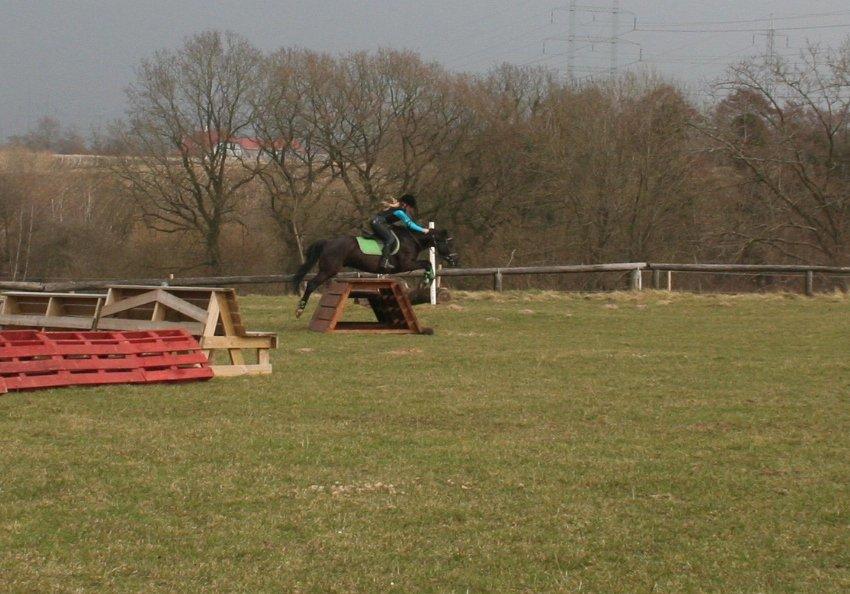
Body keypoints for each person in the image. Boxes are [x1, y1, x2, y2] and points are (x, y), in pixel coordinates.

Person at [370, 194, 429, 271]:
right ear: (406, 205)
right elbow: (410, 224)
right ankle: (384, 262)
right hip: (377, 223)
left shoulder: (400, 209)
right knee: (390, 239)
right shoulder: (399, 212)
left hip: (379, 223)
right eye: (410, 207)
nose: (410, 210)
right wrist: (423, 230)